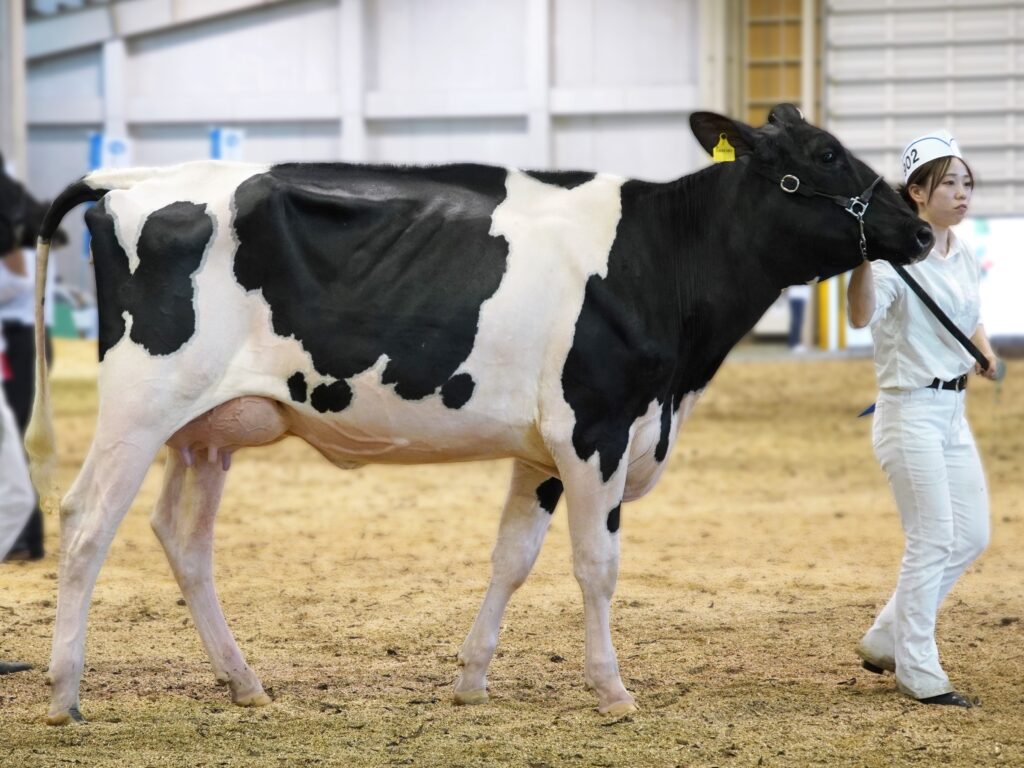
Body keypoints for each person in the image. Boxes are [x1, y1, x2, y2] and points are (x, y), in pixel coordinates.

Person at [846, 130, 999, 708]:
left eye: (967, 183)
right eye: (949, 183)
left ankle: (887, 635)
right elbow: (861, 318)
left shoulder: (958, 250)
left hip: (952, 411)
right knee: (932, 537)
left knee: (972, 536)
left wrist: (982, 348)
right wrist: (861, 259)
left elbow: (970, 315)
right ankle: (919, 669)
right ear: (916, 193)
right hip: (908, 410)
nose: (962, 193)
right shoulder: (889, 264)